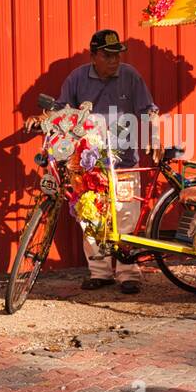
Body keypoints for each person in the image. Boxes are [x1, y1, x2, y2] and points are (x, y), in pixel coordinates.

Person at [57, 29, 158, 295]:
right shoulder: (77, 79)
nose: (114, 61)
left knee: (126, 217)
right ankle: (99, 272)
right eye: (107, 55)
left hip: (124, 160)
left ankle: (128, 273)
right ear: (93, 57)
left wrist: (154, 137)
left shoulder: (130, 76)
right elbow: (61, 111)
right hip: (90, 163)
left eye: (117, 55)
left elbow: (148, 109)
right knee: (92, 217)